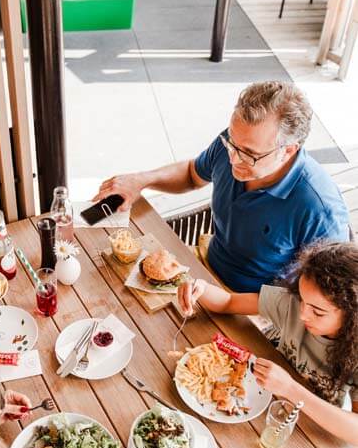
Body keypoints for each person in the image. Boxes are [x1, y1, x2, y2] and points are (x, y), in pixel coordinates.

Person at [93, 81, 349, 292]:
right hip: (202, 267)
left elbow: (325, 300)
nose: (233, 159)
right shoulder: (234, 143)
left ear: (288, 151)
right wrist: (141, 180)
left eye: (249, 154)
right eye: (232, 144)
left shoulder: (320, 209)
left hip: (259, 311)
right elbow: (193, 174)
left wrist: (229, 303)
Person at [178, 241, 358, 445]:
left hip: (306, 426)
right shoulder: (292, 303)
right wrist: (200, 288)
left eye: (317, 312)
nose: (302, 315)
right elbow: (229, 302)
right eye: (302, 300)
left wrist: (290, 388)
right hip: (262, 397)